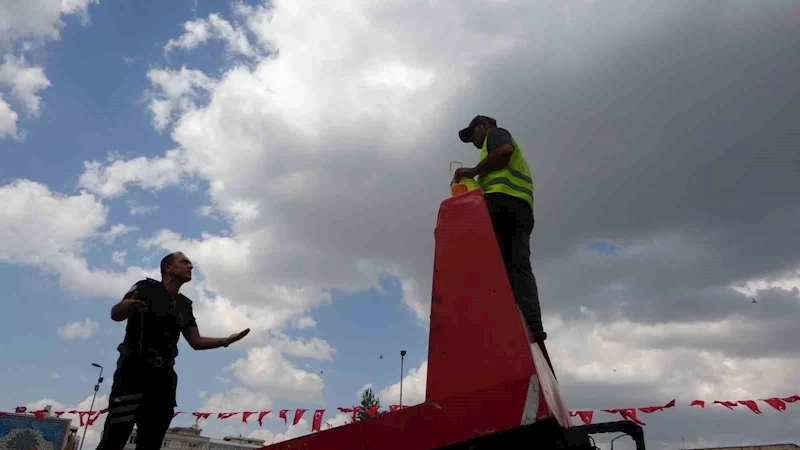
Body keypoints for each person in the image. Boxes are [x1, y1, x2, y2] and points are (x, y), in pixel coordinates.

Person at [96, 251, 250, 450]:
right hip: (133, 373)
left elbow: (196, 341)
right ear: (168, 267)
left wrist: (226, 340)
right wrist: (127, 306)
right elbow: (116, 313)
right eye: (184, 262)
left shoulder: (184, 305)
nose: (190, 266)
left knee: (151, 442)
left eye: (190, 263)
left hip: (163, 379)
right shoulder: (145, 287)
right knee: (114, 439)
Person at [453, 115, 546, 342]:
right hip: (521, 210)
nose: (473, 142)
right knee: (517, 266)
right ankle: (532, 325)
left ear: (484, 126)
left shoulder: (497, 134)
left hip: (502, 203)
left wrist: (473, 171)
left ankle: (476, 317)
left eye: (472, 133)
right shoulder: (490, 155)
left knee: (459, 239)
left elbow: (504, 151)